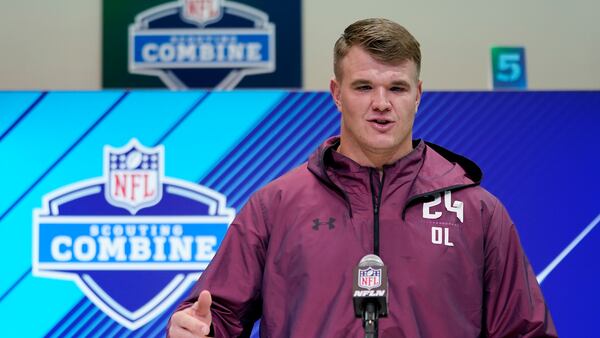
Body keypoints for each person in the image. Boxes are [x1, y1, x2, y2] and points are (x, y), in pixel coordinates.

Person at [168, 18, 557, 337]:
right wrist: (193, 330)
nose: (382, 104)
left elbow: (525, 331)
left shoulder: (478, 212)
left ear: (418, 94)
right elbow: (213, 315)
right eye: (364, 87)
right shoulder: (275, 206)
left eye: (397, 88)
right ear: (337, 93)